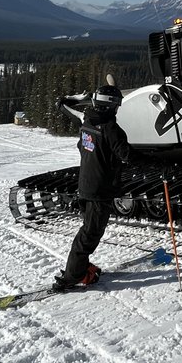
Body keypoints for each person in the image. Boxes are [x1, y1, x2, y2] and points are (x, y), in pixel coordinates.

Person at [52, 83, 133, 291]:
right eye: (117, 105)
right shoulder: (111, 130)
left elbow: (61, 104)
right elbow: (129, 156)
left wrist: (81, 97)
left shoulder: (86, 120)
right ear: (112, 106)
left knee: (88, 230)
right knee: (89, 235)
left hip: (86, 187)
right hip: (100, 191)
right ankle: (74, 275)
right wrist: (160, 164)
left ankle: (80, 267)